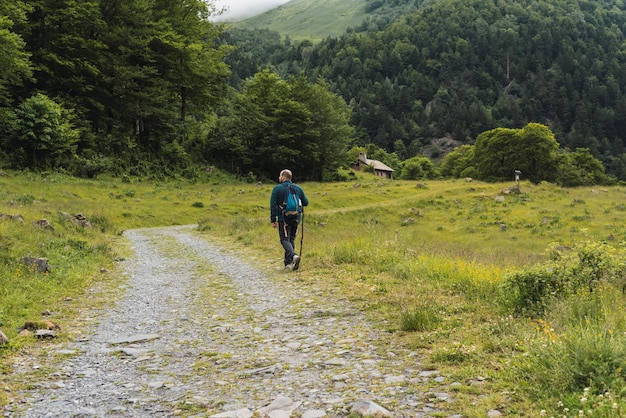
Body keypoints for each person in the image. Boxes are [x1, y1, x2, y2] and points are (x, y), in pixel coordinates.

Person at [270, 169, 309, 270]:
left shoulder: (277, 189)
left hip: (284, 218)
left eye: (280, 176)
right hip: (296, 218)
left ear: (283, 177)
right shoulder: (298, 188)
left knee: (284, 239)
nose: (279, 177)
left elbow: (273, 205)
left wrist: (273, 219)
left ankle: (293, 256)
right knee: (291, 239)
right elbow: (305, 202)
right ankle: (288, 264)